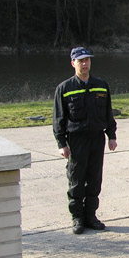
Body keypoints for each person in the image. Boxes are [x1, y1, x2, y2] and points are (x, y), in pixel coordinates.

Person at [53, 47, 118, 235]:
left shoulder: (101, 85)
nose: (84, 64)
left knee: (94, 179)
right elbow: (58, 119)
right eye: (80, 61)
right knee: (76, 179)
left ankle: (91, 216)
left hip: (97, 138)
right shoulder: (64, 88)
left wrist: (111, 136)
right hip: (76, 140)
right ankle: (77, 218)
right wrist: (61, 144)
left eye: (87, 60)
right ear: (73, 63)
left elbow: (108, 113)